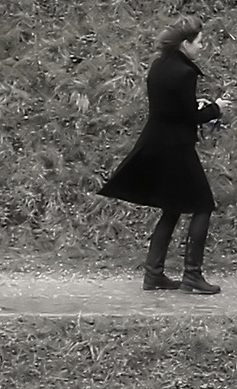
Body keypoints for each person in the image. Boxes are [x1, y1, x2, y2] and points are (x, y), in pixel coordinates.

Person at [98, 16, 229, 294]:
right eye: (200, 42)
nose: (202, 47)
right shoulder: (186, 73)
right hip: (176, 149)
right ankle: (192, 275)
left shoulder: (159, 66)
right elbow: (190, 117)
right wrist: (216, 108)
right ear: (185, 44)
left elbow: (172, 106)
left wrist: (197, 104)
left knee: (172, 208)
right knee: (203, 205)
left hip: (156, 143)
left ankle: (153, 274)